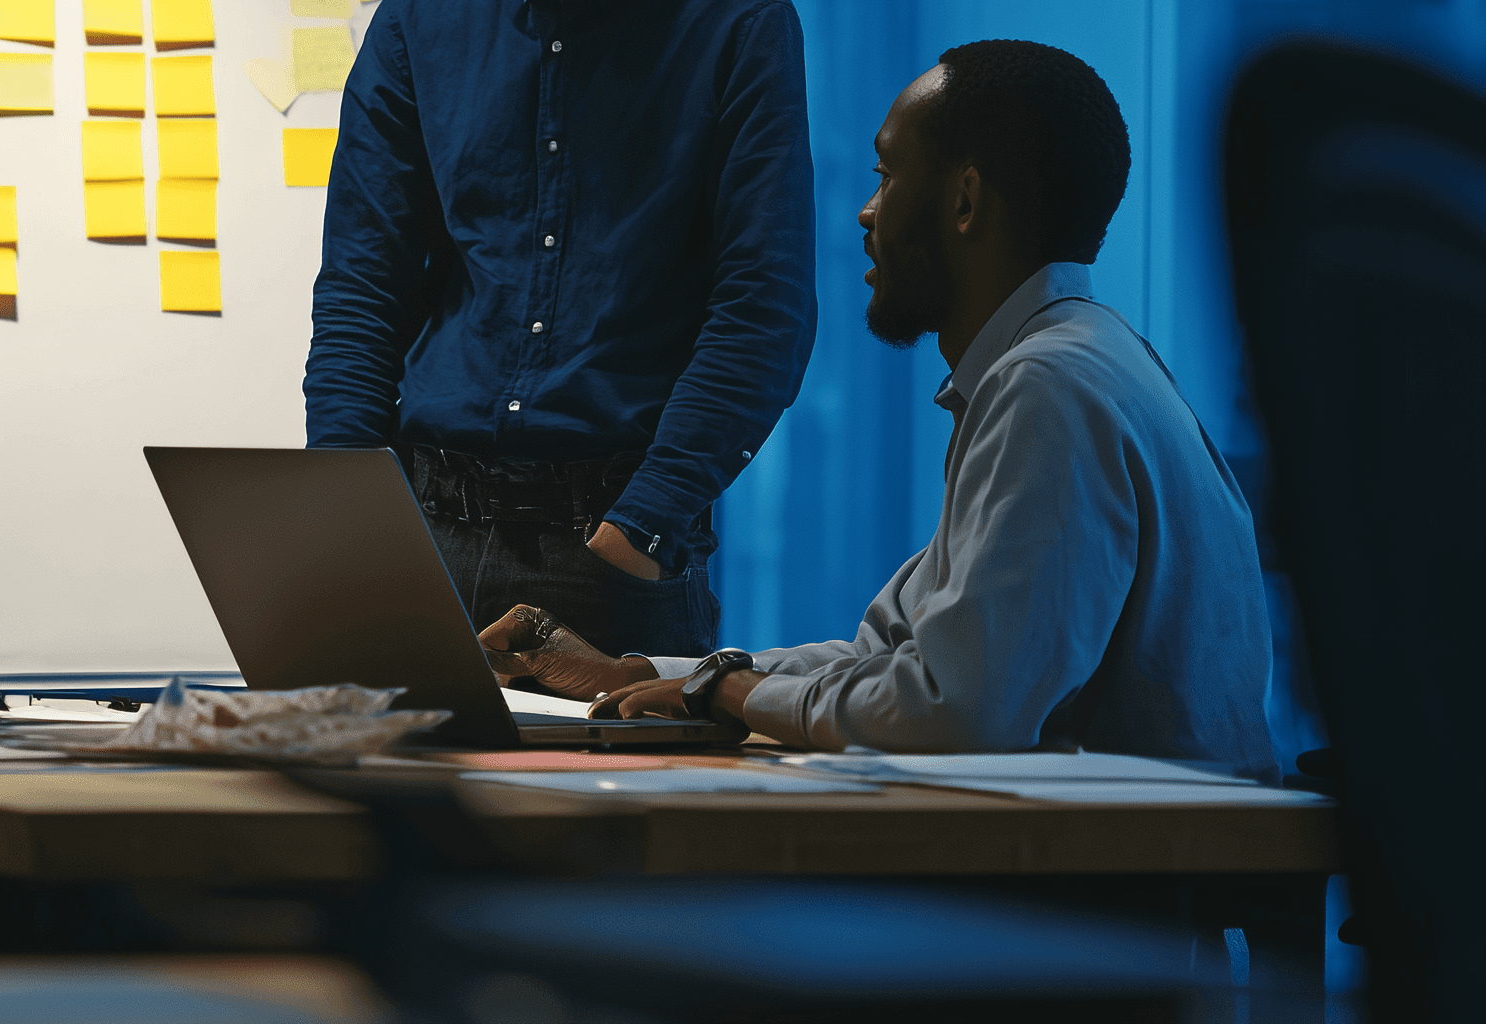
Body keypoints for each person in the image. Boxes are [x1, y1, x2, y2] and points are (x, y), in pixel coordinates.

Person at [533, 40, 1278, 781]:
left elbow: (958, 711)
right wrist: (636, 673)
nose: (866, 212)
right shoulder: (1082, 356)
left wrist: (724, 691)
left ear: (964, 201)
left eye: (887, 177)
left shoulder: (1048, 388)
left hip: (1151, 892)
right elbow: (892, 657)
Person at [304, 0, 818, 660]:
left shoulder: (739, 28)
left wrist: (643, 524)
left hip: (613, 548)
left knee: (605, 823)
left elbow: (763, 308)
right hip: (421, 533)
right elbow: (365, 289)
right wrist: (340, 517)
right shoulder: (421, 24)